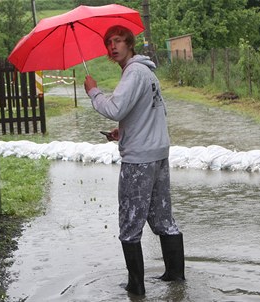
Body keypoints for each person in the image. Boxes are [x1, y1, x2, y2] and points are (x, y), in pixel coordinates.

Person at [84, 25, 185, 296]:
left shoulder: (134, 73)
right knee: (163, 219)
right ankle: (176, 278)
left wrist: (93, 92)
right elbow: (147, 112)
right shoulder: (147, 72)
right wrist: (123, 131)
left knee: (130, 223)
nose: (112, 47)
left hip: (139, 160)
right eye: (108, 43)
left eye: (117, 41)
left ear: (130, 44)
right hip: (157, 153)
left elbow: (115, 107)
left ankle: (136, 287)